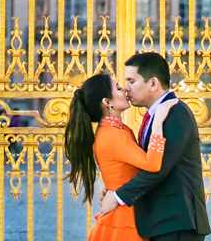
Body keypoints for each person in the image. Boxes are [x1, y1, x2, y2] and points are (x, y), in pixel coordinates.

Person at [96, 51, 210, 241]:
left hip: (178, 220)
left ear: (153, 83)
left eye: (131, 81)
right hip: (162, 221)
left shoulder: (176, 113)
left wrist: (118, 197)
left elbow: (158, 168)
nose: (126, 89)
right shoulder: (155, 114)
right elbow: (143, 163)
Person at [64, 70, 177, 241]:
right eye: (117, 88)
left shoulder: (115, 131)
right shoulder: (113, 135)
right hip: (125, 216)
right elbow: (152, 164)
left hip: (125, 209)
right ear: (107, 102)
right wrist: (158, 122)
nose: (124, 89)